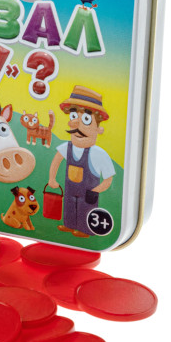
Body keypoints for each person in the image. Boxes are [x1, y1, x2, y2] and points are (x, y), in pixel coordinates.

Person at [48, 85, 115, 237]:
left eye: (86, 119)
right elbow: (56, 160)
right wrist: (52, 178)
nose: (74, 124)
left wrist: (96, 190)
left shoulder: (98, 154)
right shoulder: (67, 147)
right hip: (70, 189)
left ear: (99, 129)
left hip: (88, 193)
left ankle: (85, 230)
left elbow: (108, 179)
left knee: (86, 209)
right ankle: (69, 224)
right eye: (73, 116)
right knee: (69, 205)